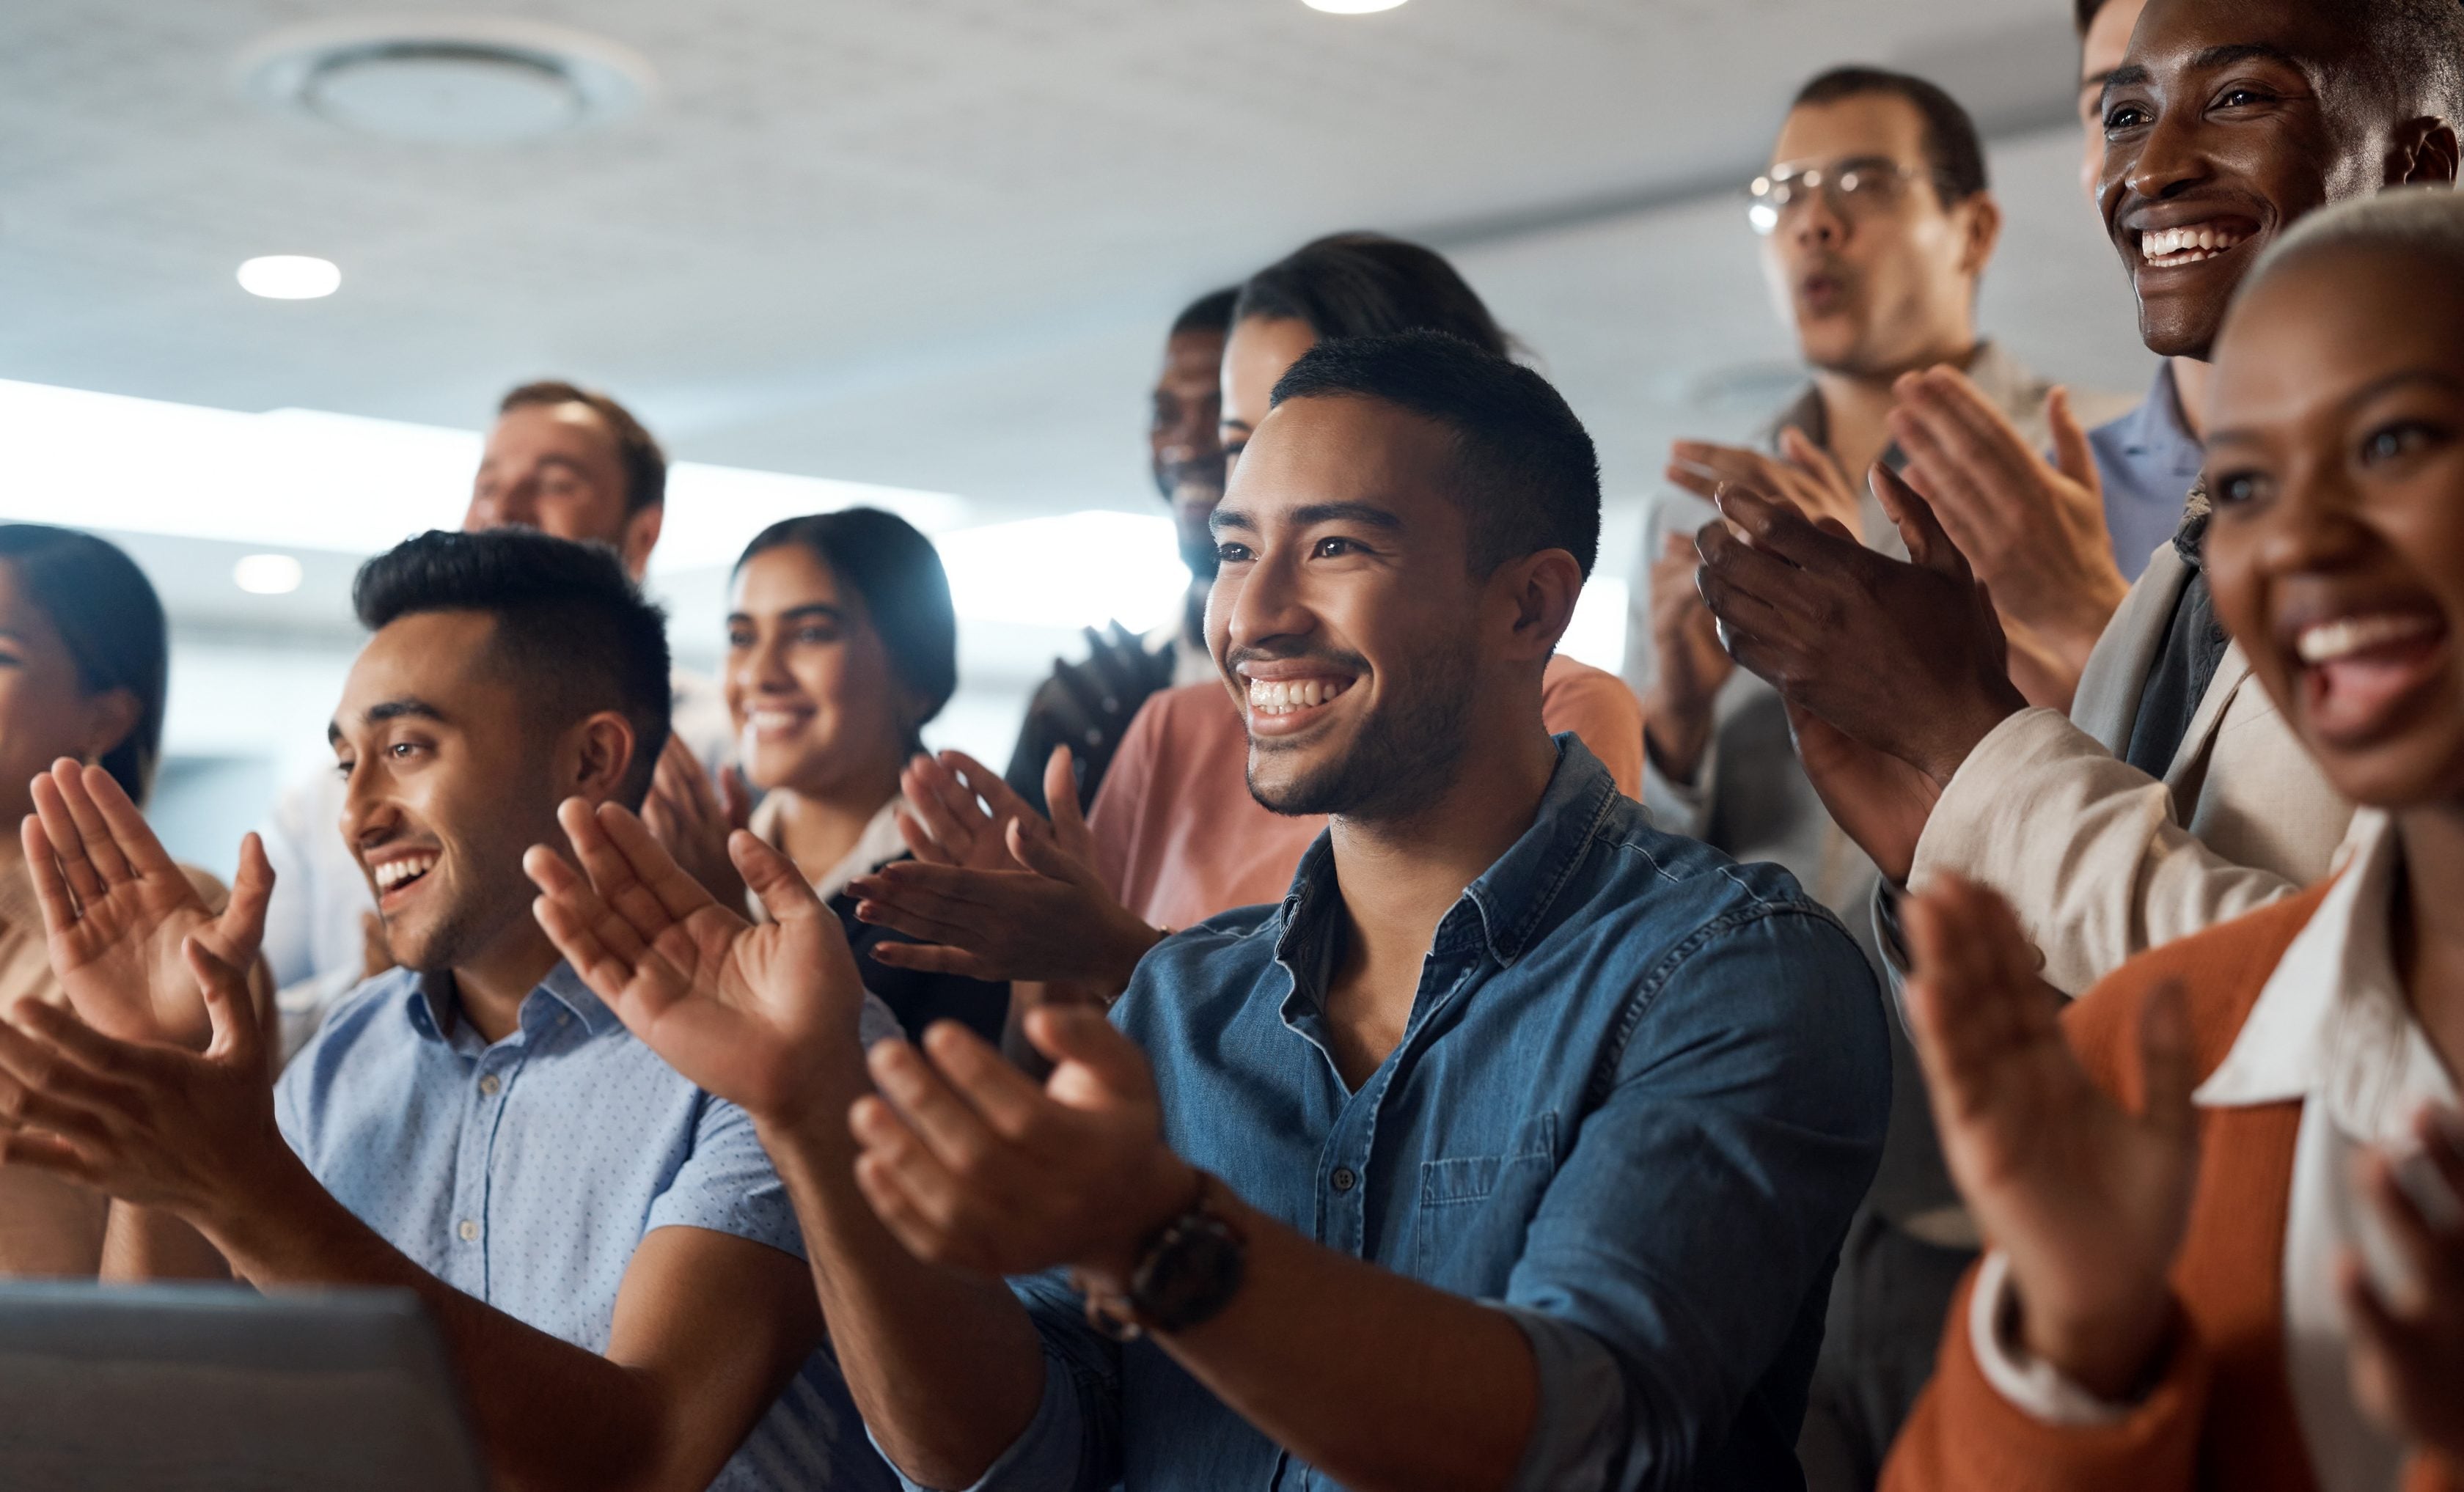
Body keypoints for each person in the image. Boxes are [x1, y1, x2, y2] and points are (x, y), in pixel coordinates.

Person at [527, 331, 1893, 1490]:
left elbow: (1589, 1431)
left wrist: (1162, 1241)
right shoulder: (1187, 1001)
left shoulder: (1730, 971)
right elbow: (1011, 1452)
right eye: (1238, 551)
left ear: (1529, 604)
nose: (1256, 614)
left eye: (1338, 545)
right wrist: (809, 1110)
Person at [0, 529, 898, 1492]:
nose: (358, 812)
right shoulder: (350, 1051)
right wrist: (163, 1075)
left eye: (406, 746)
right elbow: (162, 1426)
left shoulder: (792, 1046)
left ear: (593, 758)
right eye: (349, 762)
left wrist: (244, 1184)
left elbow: (641, 1455)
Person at [1694, 0, 2463, 1000]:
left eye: (2235, 98)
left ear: (2422, 164)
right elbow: (2111, 1022)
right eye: (2127, 116)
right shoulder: (2190, 557)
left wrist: (1972, 741)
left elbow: (2368, 1007)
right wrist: (1943, 840)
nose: (2146, 171)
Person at [1883, 185, 2464, 1492]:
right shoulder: (2154, 1049)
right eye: (2246, 482)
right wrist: (2078, 1348)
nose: (2301, 542)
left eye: (2393, 444)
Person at [842, 233, 1646, 1002]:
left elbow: (1450, 1038)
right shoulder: (1167, 730)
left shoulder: (1557, 714)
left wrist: (1117, 953)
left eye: (1335, 540)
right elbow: (1074, 1071)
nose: (1263, 468)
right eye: (1243, 441)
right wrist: (1040, 942)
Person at [258, 380, 735, 1055]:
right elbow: (276, 1003)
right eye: (487, 486)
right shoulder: (324, 797)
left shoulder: (727, 752)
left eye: (557, 483)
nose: (505, 509)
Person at [0, 525, 257, 1277]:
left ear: (106, 718)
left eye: (2, 654)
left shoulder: (167, 930)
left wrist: (163, 1045)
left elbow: (176, 1299)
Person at [719, 509, 1008, 1046]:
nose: (759, 674)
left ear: (914, 673)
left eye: (809, 633)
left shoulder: (966, 893)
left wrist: (716, 926)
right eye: (742, 636)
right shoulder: (701, 856)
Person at [1002, 289, 1239, 819]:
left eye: (1222, 413)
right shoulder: (1082, 703)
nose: (1187, 445)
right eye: (1166, 413)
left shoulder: (1325, 678)